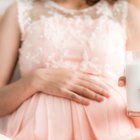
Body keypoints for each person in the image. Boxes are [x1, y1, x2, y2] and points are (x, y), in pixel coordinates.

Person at [0, 0, 140, 139]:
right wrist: (35, 81)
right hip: (31, 132)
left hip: (114, 130)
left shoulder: (126, 13)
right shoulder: (19, 11)